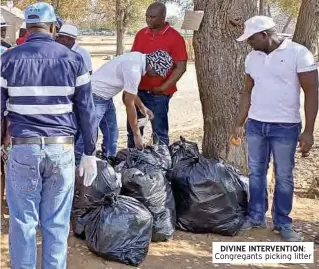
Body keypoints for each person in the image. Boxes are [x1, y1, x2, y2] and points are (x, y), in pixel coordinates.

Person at [1, 2, 98, 269]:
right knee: (56, 222)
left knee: (23, 222)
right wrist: (90, 151)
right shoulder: (74, 59)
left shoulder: (7, 60)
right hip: (61, 149)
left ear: (27, 28)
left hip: (23, 150)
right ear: (53, 27)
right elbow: (86, 110)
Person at [232, 16, 318, 241]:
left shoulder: (299, 53)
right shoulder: (252, 57)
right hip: (256, 125)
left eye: (251, 38)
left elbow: (312, 92)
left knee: (284, 176)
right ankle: (256, 216)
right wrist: (239, 123)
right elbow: (247, 91)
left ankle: (282, 222)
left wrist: (308, 131)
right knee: (256, 173)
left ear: (264, 35)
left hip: (285, 126)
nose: (249, 43)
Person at [75, 50, 173, 157]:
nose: (156, 75)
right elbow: (128, 102)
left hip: (105, 97)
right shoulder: (134, 69)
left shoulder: (137, 58)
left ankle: (109, 161)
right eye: (157, 72)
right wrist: (136, 135)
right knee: (89, 134)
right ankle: (77, 162)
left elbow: (130, 91)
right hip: (94, 95)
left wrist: (142, 107)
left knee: (112, 135)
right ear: (151, 65)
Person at [128, 1, 187, 147]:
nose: (148, 20)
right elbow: (133, 60)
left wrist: (162, 88)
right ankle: (132, 162)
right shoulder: (141, 34)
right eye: (147, 16)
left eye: (153, 17)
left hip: (159, 94)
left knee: (159, 132)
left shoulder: (175, 37)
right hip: (138, 91)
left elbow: (181, 67)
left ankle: (162, 164)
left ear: (163, 17)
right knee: (134, 130)